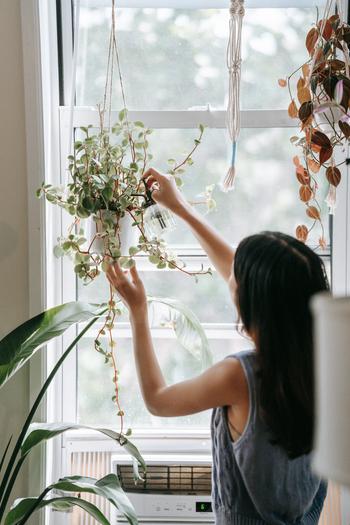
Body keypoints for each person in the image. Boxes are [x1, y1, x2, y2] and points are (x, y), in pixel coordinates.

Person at [107, 168, 329, 525]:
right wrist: (180, 207)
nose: (231, 279)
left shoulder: (241, 377)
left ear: (254, 305)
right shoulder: (323, 364)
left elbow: (158, 400)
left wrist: (138, 312)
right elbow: (241, 275)